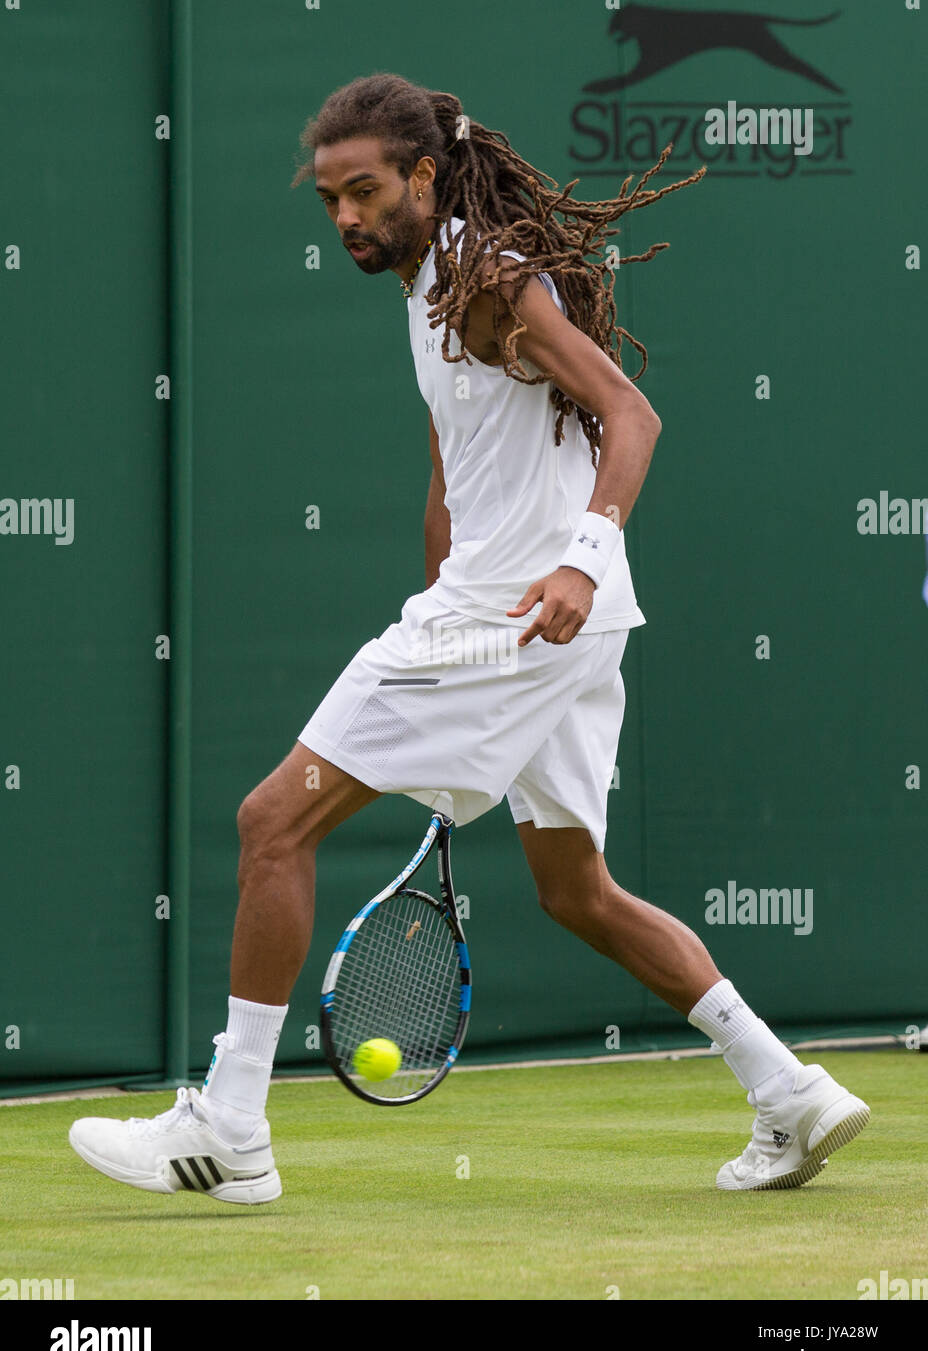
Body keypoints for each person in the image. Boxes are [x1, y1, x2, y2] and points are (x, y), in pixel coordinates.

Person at [69, 74, 869, 1203]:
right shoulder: (435, 287)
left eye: (365, 191)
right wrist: (460, 566)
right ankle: (787, 1090)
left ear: (425, 177)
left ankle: (230, 1126)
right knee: (575, 888)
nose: (345, 216)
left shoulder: (483, 275)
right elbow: (462, 459)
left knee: (269, 823)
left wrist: (576, 559)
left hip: (522, 613)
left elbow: (632, 415)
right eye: (329, 201)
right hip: (545, 619)